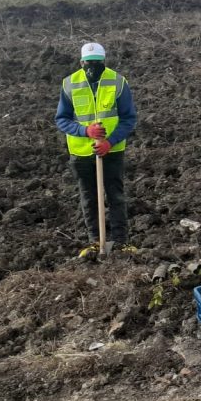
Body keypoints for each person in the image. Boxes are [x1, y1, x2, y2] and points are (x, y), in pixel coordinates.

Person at [55, 42, 138, 256]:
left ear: (104, 62)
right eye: (88, 63)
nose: (92, 67)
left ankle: (120, 241)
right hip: (82, 153)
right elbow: (62, 119)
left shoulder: (118, 82)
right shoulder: (70, 83)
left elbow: (129, 118)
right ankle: (94, 241)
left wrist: (110, 141)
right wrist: (85, 131)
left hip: (111, 151)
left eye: (97, 63)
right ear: (81, 62)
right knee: (89, 197)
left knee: (116, 196)